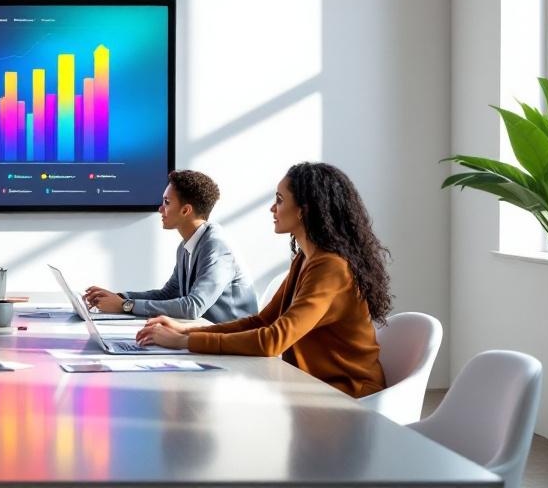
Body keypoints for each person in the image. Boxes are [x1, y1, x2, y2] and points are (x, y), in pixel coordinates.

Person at [136, 162, 392, 398]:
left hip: (348, 395)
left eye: (279, 200)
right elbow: (262, 321)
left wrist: (183, 341)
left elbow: (273, 340)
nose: (272, 208)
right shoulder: (305, 259)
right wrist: (187, 331)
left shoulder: (330, 268)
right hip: (313, 387)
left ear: (304, 211)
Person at [83, 170, 256, 323]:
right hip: (203, 336)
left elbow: (193, 307)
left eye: (167, 202)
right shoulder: (186, 246)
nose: (160, 209)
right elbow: (168, 294)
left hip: (232, 344)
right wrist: (119, 298)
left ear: (185, 210)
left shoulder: (216, 246)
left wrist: (126, 306)